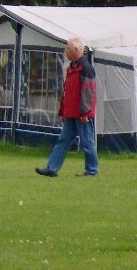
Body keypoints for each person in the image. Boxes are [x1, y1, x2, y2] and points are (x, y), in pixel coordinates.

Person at [36, 37, 99, 177]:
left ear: (76, 50)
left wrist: (85, 113)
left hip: (82, 114)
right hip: (70, 113)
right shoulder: (71, 68)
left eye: (68, 49)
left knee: (87, 143)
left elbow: (88, 92)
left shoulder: (86, 68)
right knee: (63, 140)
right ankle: (51, 169)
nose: (66, 51)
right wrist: (63, 110)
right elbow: (68, 92)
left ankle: (92, 170)